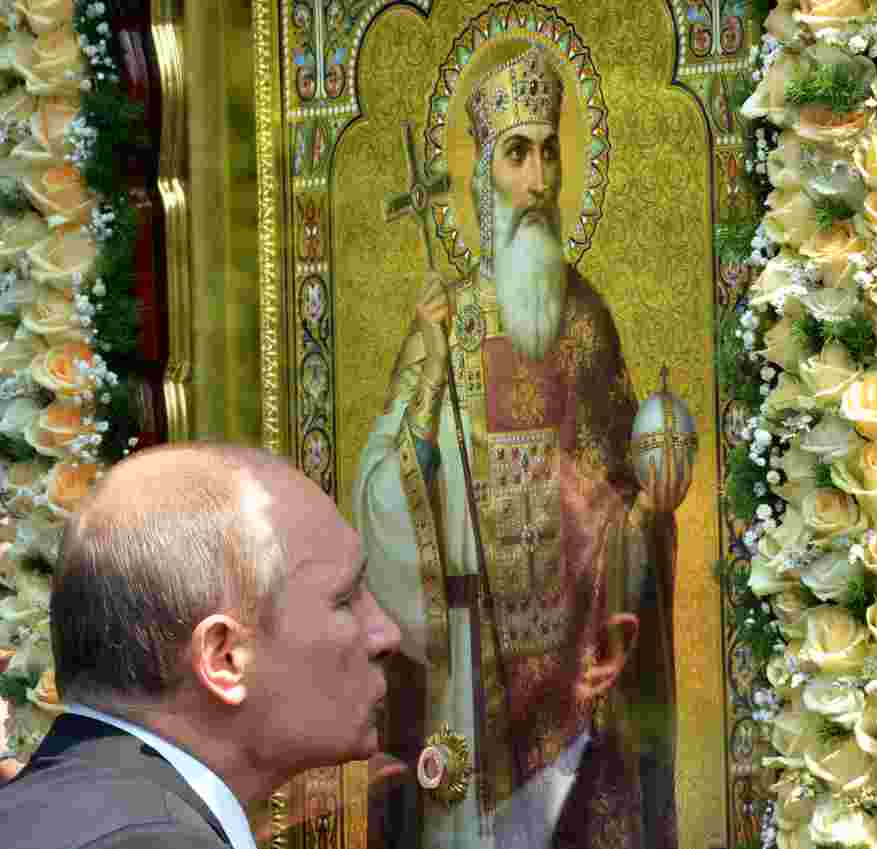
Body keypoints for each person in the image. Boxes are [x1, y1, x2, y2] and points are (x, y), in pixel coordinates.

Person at [355, 41, 688, 849]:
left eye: (548, 154)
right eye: (516, 154)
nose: (537, 181)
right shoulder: (447, 320)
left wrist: (638, 526)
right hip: (470, 668)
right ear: (482, 176)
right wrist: (431, 378)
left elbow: (625, 497)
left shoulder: (585, 321)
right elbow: (379, 498)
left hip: (573, 669)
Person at [0, 443, 401, 849]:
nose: (387, 634)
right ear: (224, 657)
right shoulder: (151, 840)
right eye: (345, 599)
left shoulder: (44, 814)